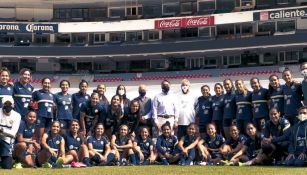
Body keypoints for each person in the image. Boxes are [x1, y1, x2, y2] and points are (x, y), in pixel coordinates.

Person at [0, 96, 21, 169]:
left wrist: (2, 130)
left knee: (7, 166)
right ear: (2, 104)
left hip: (7, 141)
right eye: (6, 104)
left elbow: (13, 133)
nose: (8, 105)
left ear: (13, 105)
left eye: (10, 104)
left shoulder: (17, 115)